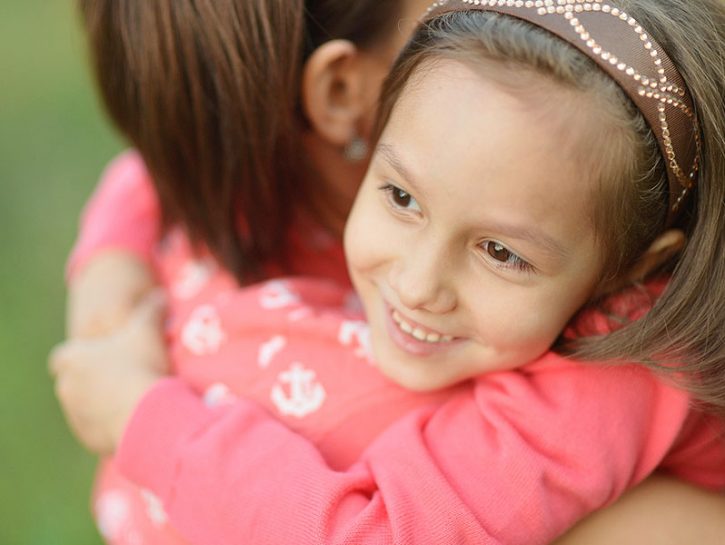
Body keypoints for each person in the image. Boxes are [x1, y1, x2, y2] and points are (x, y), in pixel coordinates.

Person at [51, 0, 725, 544]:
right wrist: (108, 273)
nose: (417, 283)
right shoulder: (491, 162)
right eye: (401, 197)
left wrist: (142, 420)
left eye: (501, 253)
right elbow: (151, 174)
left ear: (635, 267)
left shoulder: (617, 372)